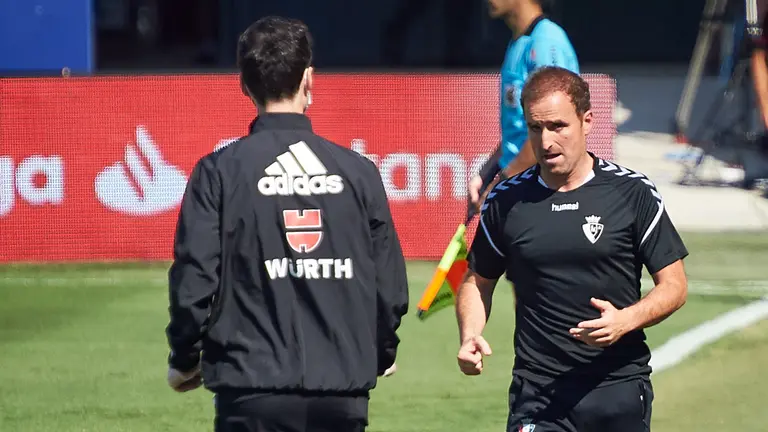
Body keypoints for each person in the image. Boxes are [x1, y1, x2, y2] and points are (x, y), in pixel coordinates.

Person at [164, 16, 409, 432]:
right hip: (342, 396)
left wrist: (185, 359)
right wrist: (379, 353)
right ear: (309, 80)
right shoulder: (358, 172)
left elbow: (195, 280)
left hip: (251, 391)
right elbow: (389, 289)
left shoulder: (218, 172)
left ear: (243, 85)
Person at [455, 66, 689, 432]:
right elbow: (477, 281)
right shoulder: (506, 201)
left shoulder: (631, 193)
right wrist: (470, 334)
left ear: (587, 121)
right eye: (536, 128)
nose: (546, 142)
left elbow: (675, 286)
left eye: (558, 126)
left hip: (617, 387)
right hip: (538, 394)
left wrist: (626, 320)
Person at [468, 0, 579, 216]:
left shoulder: (547, 42)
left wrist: (504, 183)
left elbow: (552, 132)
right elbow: (519, 130)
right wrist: (488, 173)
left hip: (542, 194)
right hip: (520, 184)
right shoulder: (517, 44)